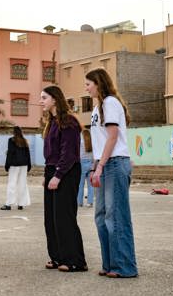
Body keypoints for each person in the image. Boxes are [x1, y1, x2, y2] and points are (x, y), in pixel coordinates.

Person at [86, 68, 138, 278]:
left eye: (88, 83)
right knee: (101, 217)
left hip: (115, 164)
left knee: (115, 217)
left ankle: (124, 266)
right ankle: (109, 264)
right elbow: (99, 142)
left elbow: (112, 137)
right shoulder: (98, 107)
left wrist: (100, 166)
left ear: (98, 83)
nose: (86, 87)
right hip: (104, 164)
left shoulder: (110, 103)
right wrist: (95, 165)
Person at [39, 85, 87, 273]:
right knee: (50, 218)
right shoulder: (51, 122)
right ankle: (58, 257)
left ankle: (76, 260)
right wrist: (47, 175)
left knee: (64, 217)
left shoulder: (69, 121)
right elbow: (50, 153)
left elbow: (69, 153)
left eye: (44, 97)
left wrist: (58, 175)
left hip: (66, 172)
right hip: (53, 171)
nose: (41, 101)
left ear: (54, 99)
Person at [1, 126, 31, 211]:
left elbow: (10, 153)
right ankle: (21, 204)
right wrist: (29, 165)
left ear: (14, 132)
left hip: (14, 165)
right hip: (24, 165)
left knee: (12, 184)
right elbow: (28, 154)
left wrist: (7, 165)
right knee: (22, 184)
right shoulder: (24, 141)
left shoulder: (11, 140)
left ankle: (8, 204)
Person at [77, 129, 94, 207]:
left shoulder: (80, 137)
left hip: (81, 163)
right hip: (91, 162)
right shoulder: (92, 137)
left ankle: (79, 202)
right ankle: (90, 202)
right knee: (90, 185)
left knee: (80, 184)